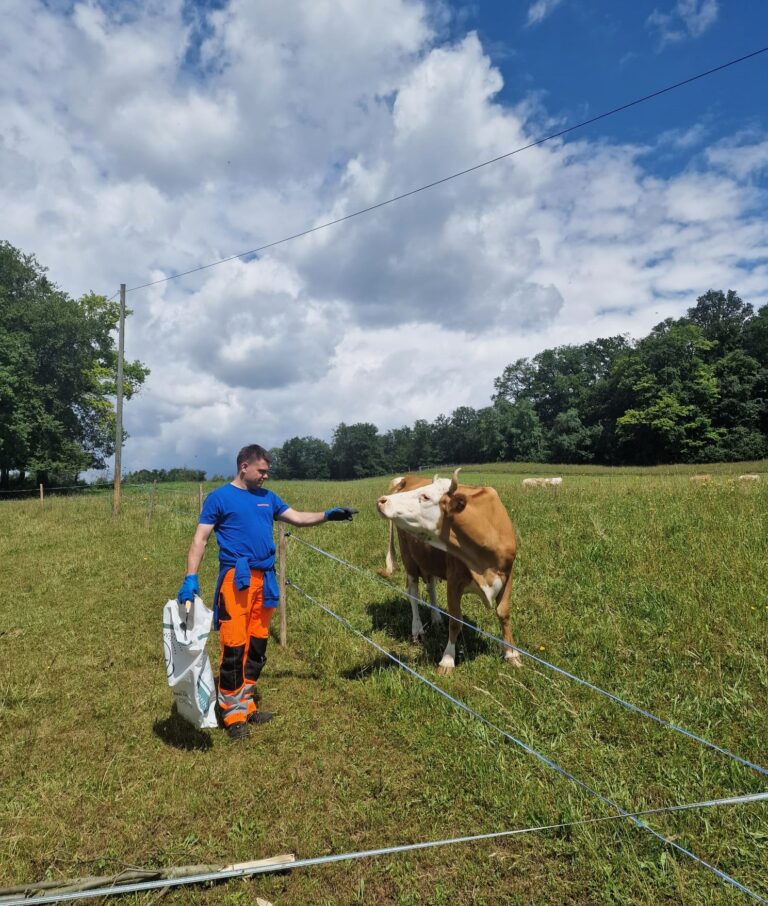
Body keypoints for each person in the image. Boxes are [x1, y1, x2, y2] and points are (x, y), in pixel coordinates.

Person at [178, 443, 356, 740]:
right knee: (234, 645)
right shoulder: (219, 498)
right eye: (261, 470)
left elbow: (297, 518)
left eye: (267, 471)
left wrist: (328, 514)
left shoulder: (268, 498)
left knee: (257, 645)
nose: (265, 476)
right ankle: (231, 714)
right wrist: (190, 577)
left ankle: (246, 703)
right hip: (237, 579)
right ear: (243, 466)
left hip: (266, 579)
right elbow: (201, 539)